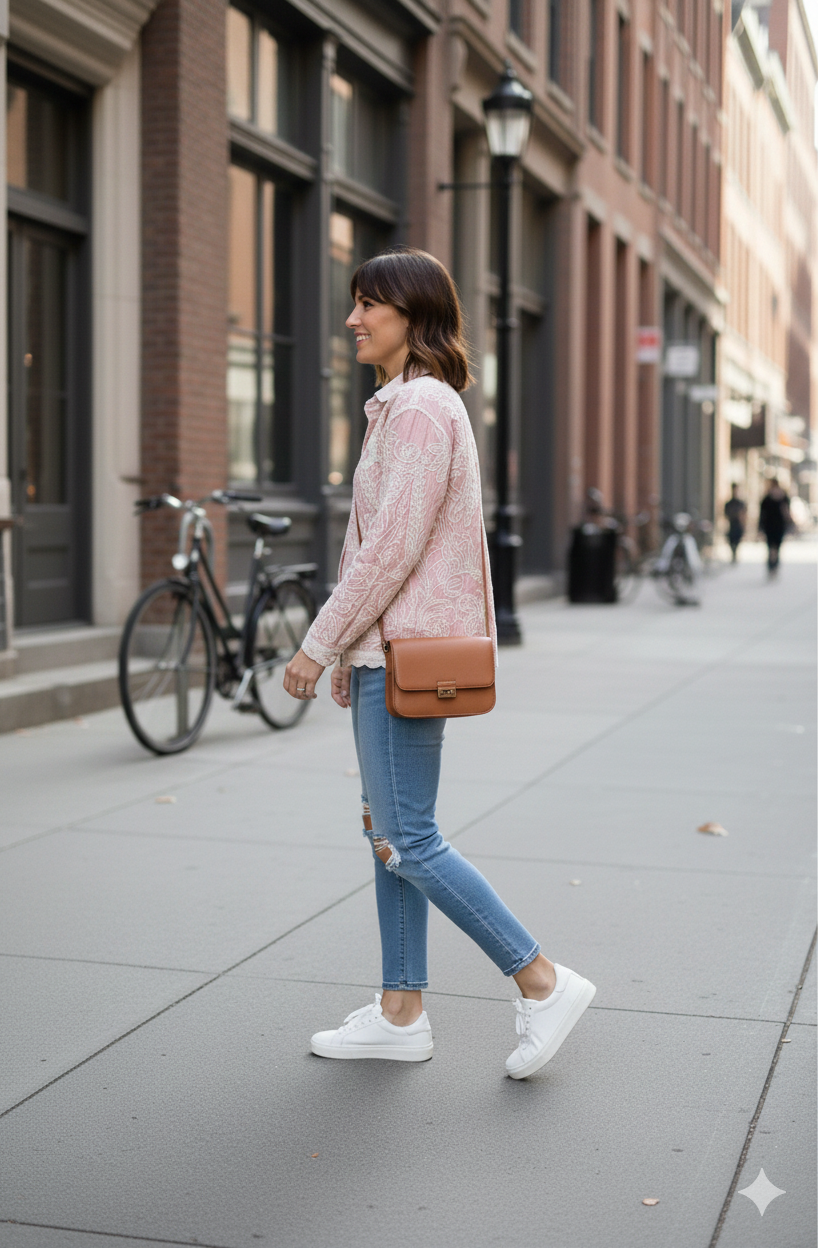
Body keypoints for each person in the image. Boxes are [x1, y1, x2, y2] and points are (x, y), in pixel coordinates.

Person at [283, 248, 595, 1079]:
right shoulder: (407, 405)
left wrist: (319, 644)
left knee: (408, 838)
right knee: (386, 834)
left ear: (412, 316)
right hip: (387, 650)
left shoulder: (419, 408)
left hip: (402, 651)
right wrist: (351, 648)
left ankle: (541, 980)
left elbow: (388, 553)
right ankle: (400, 1011)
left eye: (367, 306)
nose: (352, 320)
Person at [758, 478, 791, 574]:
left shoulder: (768, 498)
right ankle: (774, 565)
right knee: (776, 547)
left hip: (771, 526)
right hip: (777, 526)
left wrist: (760, 527)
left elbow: (762, 514)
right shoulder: (781, 497)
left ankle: (772, 565)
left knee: (771, 547)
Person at [724, 484, 747, 562]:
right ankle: (733, 553)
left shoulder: (740, 504)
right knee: (731, 539)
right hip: (732, 524)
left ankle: (735, 553)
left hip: (738, 524)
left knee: (737, 540)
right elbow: (726, 514)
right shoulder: (729, 503)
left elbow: (744, 515)